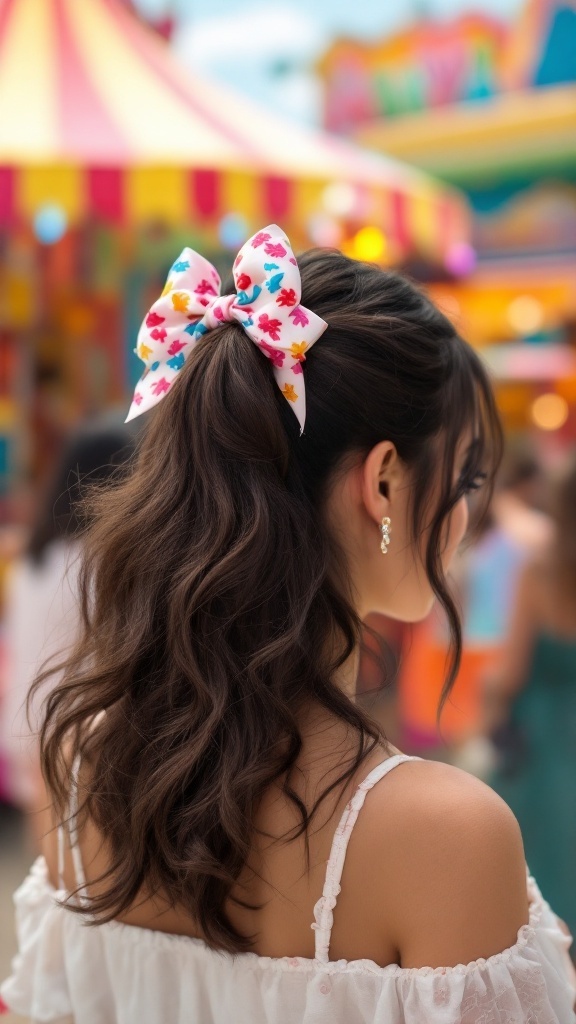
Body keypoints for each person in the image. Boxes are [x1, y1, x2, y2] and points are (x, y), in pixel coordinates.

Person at [1, 225, 574, 1023]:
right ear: (382, 481)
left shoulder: (86, 760)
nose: (468, 511)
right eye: (466, 473)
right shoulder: (449, 837)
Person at [0, 412, 138, 840]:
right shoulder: (96, 565)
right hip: (75, 724)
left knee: (46, 866)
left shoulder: (33, 560)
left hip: (28, 716)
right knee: (75, 863)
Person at [486, 455, 576, 945]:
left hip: (540, 742)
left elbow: (511, 672)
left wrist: (488, 695)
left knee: (541, 860)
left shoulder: (539, 573)